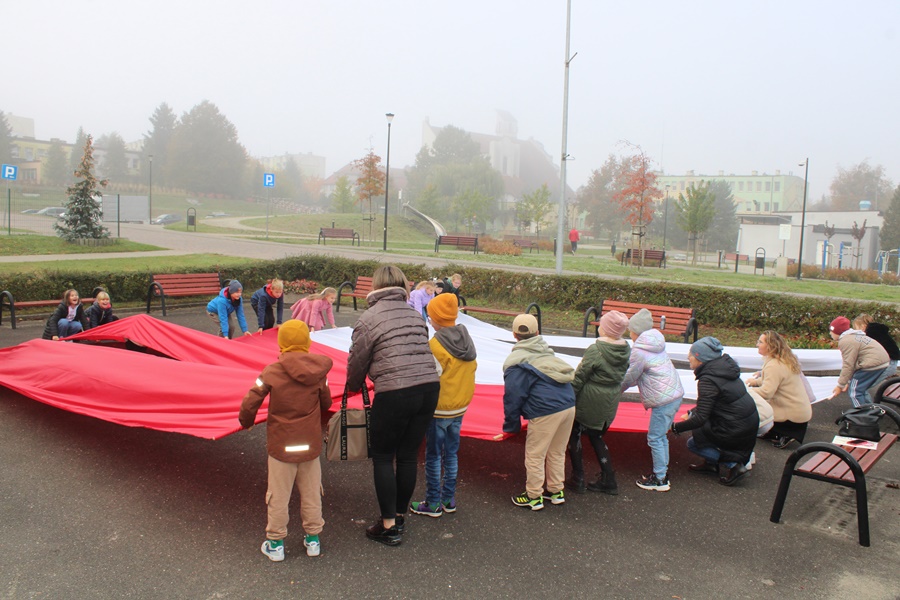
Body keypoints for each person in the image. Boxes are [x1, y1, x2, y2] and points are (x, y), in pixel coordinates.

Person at [345, 266, 440, 546]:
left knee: (384, 456)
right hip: (428, 388)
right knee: (408, 455)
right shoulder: (414, 314)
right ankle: (399, 515)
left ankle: (388, 526)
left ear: (375, 286)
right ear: (402, 286)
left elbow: (357, 362)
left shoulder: (369, 318)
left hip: (395, 391)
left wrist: (353, 386)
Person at [238, 320, 333, 562]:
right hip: (309, 445)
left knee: (278, 495)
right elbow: (327, 403)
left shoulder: (271, 371)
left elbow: (251, 400)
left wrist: (246, 422)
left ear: (282, 343)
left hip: (282, 445)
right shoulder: (320, 373)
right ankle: (313, 540)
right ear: (307, 342)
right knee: (311, 492)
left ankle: (276, 543)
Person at [409, 292, 477, 518]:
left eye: (430, 317)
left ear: (436, 318)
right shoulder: (465, 338)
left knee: (434, 456)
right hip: (460, 406)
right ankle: (449, 499)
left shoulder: (436, 345)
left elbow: (429, 378)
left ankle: (433, 502)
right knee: (451, 453)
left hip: (439, 409)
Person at [500, 313, 576, 511]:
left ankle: (534, 496)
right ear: (537, 333)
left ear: (514, 335)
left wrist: (511, 426)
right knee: (557, 451)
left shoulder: (516, 362)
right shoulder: (548, 354)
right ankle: (555, 490)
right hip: (568, 405)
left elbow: (513, 397)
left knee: (535, 454)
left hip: (545, 410)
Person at [671, 337, 758, 486]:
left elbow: (701, 418)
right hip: (746, 424)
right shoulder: (723, 370)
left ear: (700, 358)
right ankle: (710, 465)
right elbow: (714, 402)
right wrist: (692, 411)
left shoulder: (708, 379)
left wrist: (675, 428)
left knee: (694, 443)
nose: (687, 356)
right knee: (699, 428)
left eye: (691, 353)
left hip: (735, 428)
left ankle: (734, 466)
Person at [619, 308, 685, 492]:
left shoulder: (639, 351)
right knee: (661, 436)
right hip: (674, 395)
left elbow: (629, 377)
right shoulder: (656, 344)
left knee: (655, 437)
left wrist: (614, 391)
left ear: (636, 332)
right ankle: (661, 472)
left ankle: (660, 479)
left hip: (663, 399)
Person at [567, 310, 631, 496]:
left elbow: (580, 377)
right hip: (610, 399)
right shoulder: (625, 349)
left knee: (575, 435)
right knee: (597, 436)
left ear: (606, 329)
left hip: (590, 398)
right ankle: (608, 478)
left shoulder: (596, 350)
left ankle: (577, 478)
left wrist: (569, 397)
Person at [745, 330, 812, 449]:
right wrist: (755, 382)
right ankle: (774, 432)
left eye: (760, 342)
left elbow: (766, 392)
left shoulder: (773, 365)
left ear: (770, 346)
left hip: (792, 415)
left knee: (755, 408)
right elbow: (776, 381)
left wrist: (745, 390)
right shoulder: (783, 360)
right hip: (800, 411)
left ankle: (782, 433)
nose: (757, 344)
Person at [829, 316, 890, 407]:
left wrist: (840, 385)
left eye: (831, 331)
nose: (830, 333)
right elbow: (853, 362)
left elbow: (848, 365)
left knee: (855, 392)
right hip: (880, 362)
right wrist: (847, 381)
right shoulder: (854, 336)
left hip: (871, 365)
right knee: (859, 389)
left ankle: (862, 416)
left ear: (837, 332)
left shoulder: (846, 341)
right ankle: (870, 411)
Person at [852, 313, 899, 397]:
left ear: (863, 326)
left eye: (857, 328)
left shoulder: (870, 334)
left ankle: (868, 408)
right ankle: (867, 407)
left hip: (887, 364)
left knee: (862, 387)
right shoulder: (878, 332)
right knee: (862, 387)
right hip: (890, 362)